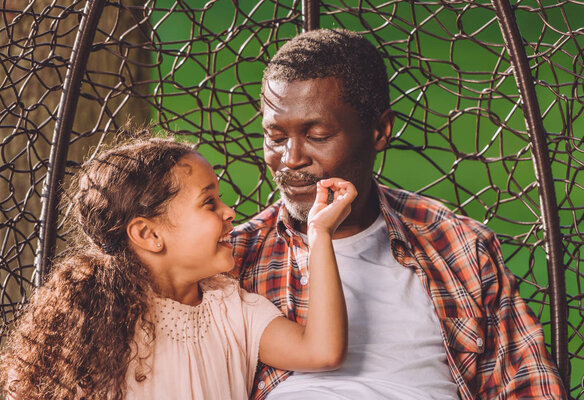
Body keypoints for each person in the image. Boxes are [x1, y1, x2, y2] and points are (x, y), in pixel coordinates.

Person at [231, 29, 567, 399]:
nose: (291, 159)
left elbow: (530, 385)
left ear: (379, 131)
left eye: (318, 135)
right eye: (275, 137)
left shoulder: (457, 245)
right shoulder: (233, 259)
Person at [0, 136, 357, 399]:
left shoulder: (233, 309)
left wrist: (320, 232)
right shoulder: (97, 323)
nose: (230, 211)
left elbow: (322, 352)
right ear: (148, 233)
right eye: (209, 202)